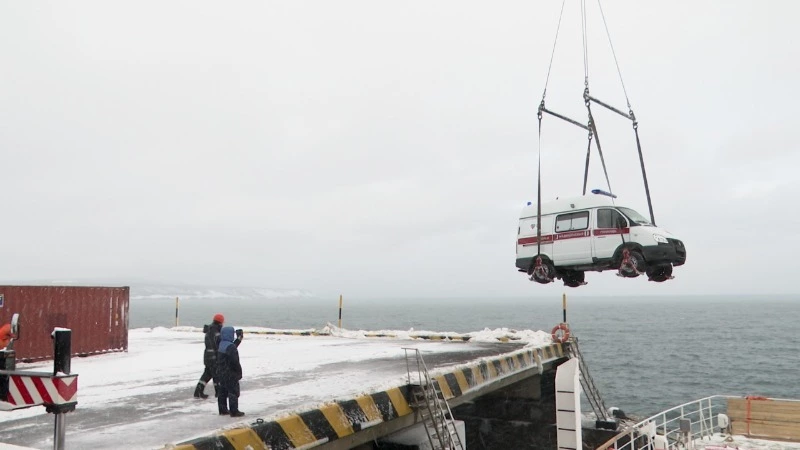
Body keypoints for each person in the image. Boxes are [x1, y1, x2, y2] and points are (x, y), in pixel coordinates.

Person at [194, 313, 242, 399]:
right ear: (220, 322)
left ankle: (198, 391)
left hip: (207, 356)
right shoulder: (216, 332)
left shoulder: (209, 330)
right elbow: (223, 346)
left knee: (207, 374)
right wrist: (238, 340)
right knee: (217, 375)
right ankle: (219, 393)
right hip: (214, 357)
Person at [216, 326, 244, 417]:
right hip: (230, 373)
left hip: (221, 372)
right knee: (233, 391)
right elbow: (235, 361)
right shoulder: (230, 347)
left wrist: (238, 340)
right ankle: (234, 411)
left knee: (222, 391)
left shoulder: (221, 344)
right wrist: (239, 372)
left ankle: (222, 409)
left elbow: (231, 347)